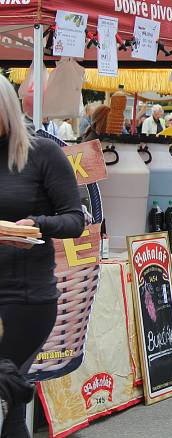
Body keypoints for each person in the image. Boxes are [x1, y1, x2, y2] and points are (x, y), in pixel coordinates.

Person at [0, 75, 85, 437]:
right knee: (13, 395)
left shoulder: (42, 153)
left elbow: (75, 219)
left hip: (26, 298)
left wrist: (36, 224)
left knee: (7, 380)